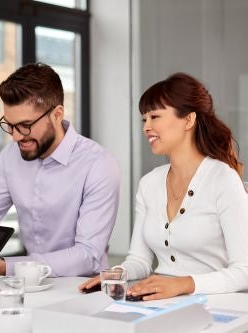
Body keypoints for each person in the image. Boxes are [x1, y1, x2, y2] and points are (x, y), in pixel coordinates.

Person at [0, 63, 120, 277]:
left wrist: (8, 267)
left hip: (83, 288)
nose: (16, 136)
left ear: (57, 114)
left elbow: (88, 255)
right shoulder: (10, 156)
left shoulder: (98, 164)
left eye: (25, 125)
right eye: (9, 125)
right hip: (29, 286)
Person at [79, 72, 248, 300]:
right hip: (158, 304)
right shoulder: (149, 183)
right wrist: (115, 274)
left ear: (188, 120)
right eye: (144, 119)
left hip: (214, 307)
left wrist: (183, 284)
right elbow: (139, 260)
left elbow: (243, 272)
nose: (146, 127)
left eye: (155, 117)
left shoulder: (223, 180)